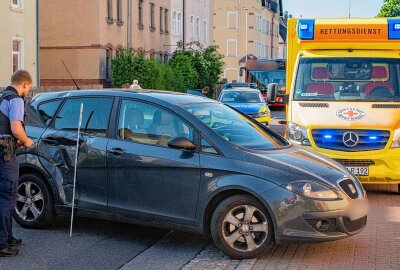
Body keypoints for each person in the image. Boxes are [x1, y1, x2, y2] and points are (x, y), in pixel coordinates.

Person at [0, 70, 34, 257]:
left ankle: (8, 237)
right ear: (24, 84)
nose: (27, 92)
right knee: (7, 196)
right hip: (6, 155)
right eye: (28, 88)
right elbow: (15, 128)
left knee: (4, 195)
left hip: (2, 149)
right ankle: (2, 243)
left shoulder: (2, 97)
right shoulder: (16, 100)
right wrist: (27, 140)